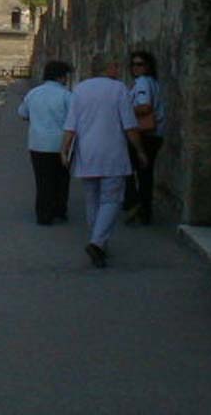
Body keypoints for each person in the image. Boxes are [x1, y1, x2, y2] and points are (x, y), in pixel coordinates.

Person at [61, 53, 149, 268]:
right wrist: (139, 150)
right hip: (112, 152)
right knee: (111, 199)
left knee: (92, 198)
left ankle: (98, 239)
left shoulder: (80, 89)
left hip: (87, 151)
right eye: (116, 65)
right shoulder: (118, 89)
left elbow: (70, 125)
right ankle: (97, 242)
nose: (118, 69)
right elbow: (129, 124)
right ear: (108, 67)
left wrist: (63, 149)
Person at [17, 60, 73, 225]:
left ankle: (43, 214)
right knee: (61, 179)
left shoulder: (33, 93)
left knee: (43, 180)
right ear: (61, 77)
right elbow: (74, 120)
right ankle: (59, 210)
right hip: (61, 145)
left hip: (38, 144)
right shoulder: (67, 95)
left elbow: (22, 113)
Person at [124, 50, 165, 225]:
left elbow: (145, 107)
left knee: (127, 169)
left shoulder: (142, 83)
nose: (135, 68)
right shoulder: (152, 82)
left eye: (140, 64)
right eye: (133, 64)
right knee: (145, 174)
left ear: (147, 66)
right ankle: (143, 210)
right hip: (154, 134)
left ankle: (135, 204)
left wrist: (123, 111)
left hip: (144, 134)